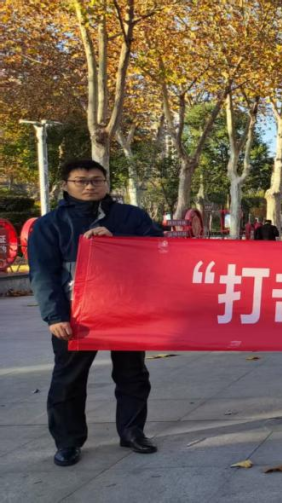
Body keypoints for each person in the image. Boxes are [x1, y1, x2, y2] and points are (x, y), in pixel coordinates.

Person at [28, 159, 163, 467]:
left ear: (106, 183)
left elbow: (160, 249)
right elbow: (43, 274)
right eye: (81, 181)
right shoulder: (50, 225)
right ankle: (68, 442)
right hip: (77, 315)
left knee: (132, 374)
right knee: (68, 380)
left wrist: (121, 243)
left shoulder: (131, 217)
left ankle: (132, 432)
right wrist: (55, 316)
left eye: (96, 180)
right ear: (66, 185)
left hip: (127, 311)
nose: (89, 186)